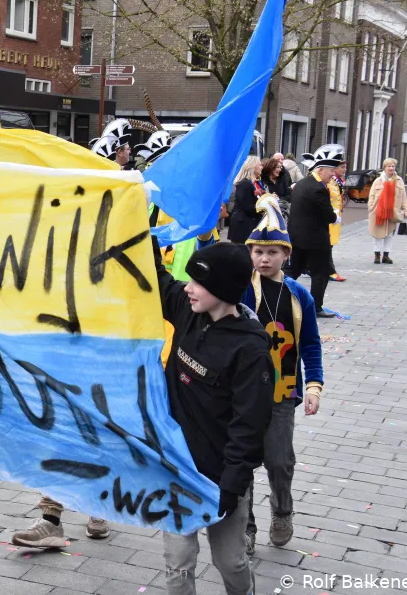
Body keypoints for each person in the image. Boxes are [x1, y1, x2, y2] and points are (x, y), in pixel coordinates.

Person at [154, 238, 273, 595]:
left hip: (221, 478)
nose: (187, 287)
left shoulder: (250, 349)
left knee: (230, 561)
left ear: (222, 289)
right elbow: (156, 278)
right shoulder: (186, 309)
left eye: (197, 282)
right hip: (177, 468)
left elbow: (249, 425)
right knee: (178, 563)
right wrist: (140, 229)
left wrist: (232, 485)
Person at [241, 194, 324, 555]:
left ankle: (282, 511)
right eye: (258, 252)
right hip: (242, 393)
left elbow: (311, 344)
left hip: (282, 391)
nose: (264, 258)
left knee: (279, 461)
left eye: (272, 252)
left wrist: (314, 386)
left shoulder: (299, 296)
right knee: (240, 461)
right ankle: (244, 526)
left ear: (286, 255)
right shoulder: (241, 289)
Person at [286, 145, 343, 319]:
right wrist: (335, 216)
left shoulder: (302, 183)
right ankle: (316, 307)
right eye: (330, 170)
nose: (333, 174)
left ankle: (276, 295)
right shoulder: (318, 188)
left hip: (297, 237)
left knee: (293, 270)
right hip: (315, 240)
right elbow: (327, 214)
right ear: (320, 170)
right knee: (320, 274)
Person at [368, 157, 407, 265]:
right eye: (389, 166)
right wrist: (371, 207)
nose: (391, 168)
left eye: (393, 166)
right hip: (378, 211)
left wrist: (405, 210)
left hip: (393, 211)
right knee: (377, 233)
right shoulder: (378, 181)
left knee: (390, 234)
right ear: (384, 168)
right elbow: (371, 195)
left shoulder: (399, 180)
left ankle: (386, 256)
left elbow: (403, 196)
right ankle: (377, 255)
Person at [228, 156, 265, 244]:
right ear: (252, 166)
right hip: (242, 225)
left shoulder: (254, 183)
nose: (262, 167)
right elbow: (247, 206)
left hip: (249, 223)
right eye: (260, 165)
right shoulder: (244, 184)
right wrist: (265, 206)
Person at [328, 162, 348, 282]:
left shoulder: (338, 182)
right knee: (327, 245)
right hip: (329, 218)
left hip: (335, 218)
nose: (345, 169)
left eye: (345, 167)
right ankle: (331, 271)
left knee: (329, 244)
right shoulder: (330, 182)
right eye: (342, 167)